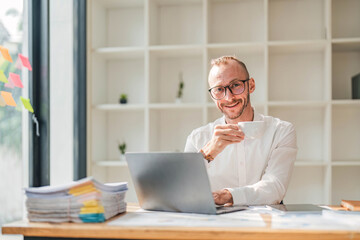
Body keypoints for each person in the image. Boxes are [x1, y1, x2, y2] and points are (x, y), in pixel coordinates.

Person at [184, 56, 297, 206]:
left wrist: (228, 196)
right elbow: (184, 189)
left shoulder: (281, 131)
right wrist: (207, 154)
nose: (229, 97)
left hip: (265, 225)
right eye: (219, 89)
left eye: (236, 85)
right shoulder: (197, 138)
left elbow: (275, 187)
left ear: (251, 85)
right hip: (215, 224)